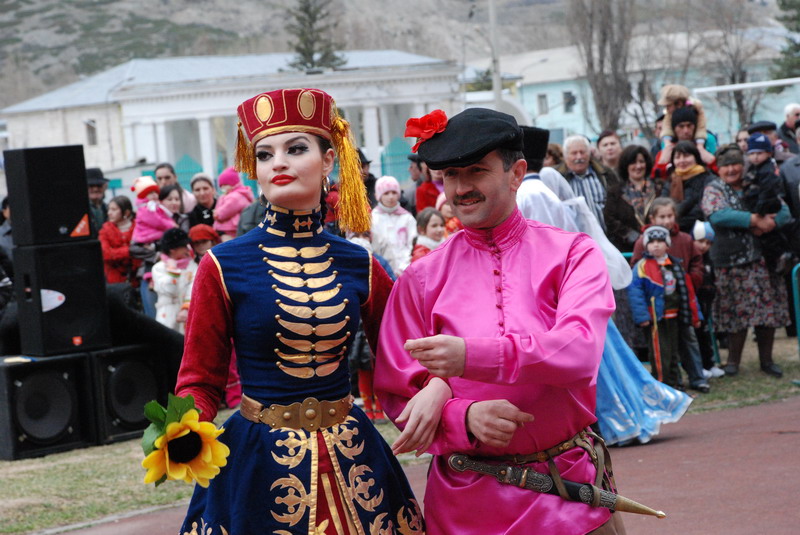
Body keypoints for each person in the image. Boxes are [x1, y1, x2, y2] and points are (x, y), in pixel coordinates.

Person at [174, 87, 423, 534]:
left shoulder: (360, 262)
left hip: (354, 453)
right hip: (256, 462)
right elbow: (199, 379)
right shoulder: (222, 266)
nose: (279, 163)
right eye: (265, 154)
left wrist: (441, 398)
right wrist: (183, 428)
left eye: (296, 149)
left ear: (330, 160)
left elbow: (405, 355)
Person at [376, 107, 626, 534]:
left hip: (569, 496)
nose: (461, 187)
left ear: (517, 173)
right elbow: (399, 391)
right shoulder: (420, 278)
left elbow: (579, 351)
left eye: (476, 170)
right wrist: (463, 417)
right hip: (465, 507)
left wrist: (466, 360)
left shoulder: (572, 254)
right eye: (451, 174)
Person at [700, 144, 790, 378]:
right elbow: (717, 215)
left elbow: (784, 210)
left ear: (743, 164)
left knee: (766, 312)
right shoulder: (714, 188)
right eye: (726, 165)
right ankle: (733, 362)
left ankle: (767, 361)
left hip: (763, 258)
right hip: (730, 261)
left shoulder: (757, 181)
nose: (731, 169)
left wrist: (771, 223)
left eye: (735, 164)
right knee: (734, 313)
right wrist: (753, 220)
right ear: (718, 169)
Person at [630, 198, 710, 393]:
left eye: (670, 216)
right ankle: (665, 382)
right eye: (662, 216)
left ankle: (695, 377)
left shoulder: (683, 241)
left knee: (687, 342)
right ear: (652, 218)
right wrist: (642, 315)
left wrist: (692, 281)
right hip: (658, 313)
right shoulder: (642, 249)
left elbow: (694, 270)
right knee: (662, 349)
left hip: (680, 307)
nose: (666, 220)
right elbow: (635, 285)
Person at [743, 132, 796, 273]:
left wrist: (760, 211)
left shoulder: (767, 169)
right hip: (760, 207)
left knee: (772, 237)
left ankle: (781, 257)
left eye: (759, 153)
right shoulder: (754, 168)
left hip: (768, 207)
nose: (755, 156)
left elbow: (768, 191)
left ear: (768, 153)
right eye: (752, 153)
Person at [130, 176, 175, 318]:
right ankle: (151, 279)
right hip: (147, 239)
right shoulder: (146, 209)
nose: (154, 195)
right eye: (150, 193)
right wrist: (172, 227)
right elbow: (158, 222)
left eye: (156, 192)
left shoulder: (156, 207)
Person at [152, 228, 197, 334]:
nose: (187, 249)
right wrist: (173, 272)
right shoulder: (159, 268)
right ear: (173, 249)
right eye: (184, 246)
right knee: (166, 341)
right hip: (167, 312)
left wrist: (186, 308)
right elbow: (169, 290)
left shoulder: (192, 266)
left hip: (187, 311)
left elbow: (194, 287)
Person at [371, 175, 417, 277]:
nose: (391, 197)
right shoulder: (373, 218)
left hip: (406, 270)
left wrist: (404, 267)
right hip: (381, 270)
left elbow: (412, 244)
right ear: (378, 196)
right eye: (386, 193)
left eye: (394, 192)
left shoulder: (407, 218)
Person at [667, 140, 717, 234]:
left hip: (703, 233)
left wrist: (677, 221)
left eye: (686, 156)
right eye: (677, 157)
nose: (682, 160)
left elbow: (702, 209)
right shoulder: (671, 180)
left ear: (696, 157)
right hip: (674, 233)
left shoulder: (708, 179)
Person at [98, 195, 140, 286]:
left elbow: (144, 250)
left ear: (126, 212)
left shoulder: (139, 227)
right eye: (109, 209)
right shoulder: (105, 230)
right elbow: (105, 253)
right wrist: (129, 251)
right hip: (115, 280)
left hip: (138, 276)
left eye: (114, 210)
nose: (109, 213)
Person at [212, 167, 254, 241]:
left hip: (231, 229)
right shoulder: (235, 194)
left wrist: (217, 214)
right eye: (221, 186)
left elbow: (226, 210)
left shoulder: (235, 197)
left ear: (232, 183)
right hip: (232, 228)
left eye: (225, 185)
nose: (222, 188)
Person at [87, 167, 109, 233]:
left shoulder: (109, 208)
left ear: (104, 187)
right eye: (91, 186)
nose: (95, 189)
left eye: (99, 185)